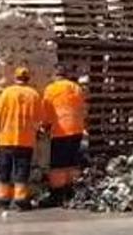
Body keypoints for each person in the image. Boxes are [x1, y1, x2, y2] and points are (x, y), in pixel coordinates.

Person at [0, 67, 44, 210]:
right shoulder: (34, 95)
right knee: (21, 170)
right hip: (25, 140)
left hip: (6, 138)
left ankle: (3, 200)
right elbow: (39, 118)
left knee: (5, 170)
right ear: (28, 78)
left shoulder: (7, 93)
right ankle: (20, 200)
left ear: (15, 77)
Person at [43, 68, 87, 204]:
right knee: (72, 162)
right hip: (77, 130)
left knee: (58, 165)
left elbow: (46, 109)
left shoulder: (51, 89)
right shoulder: (76, 88)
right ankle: (72, 190)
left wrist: (44, 126)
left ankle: (57, 193)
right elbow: (82, 107)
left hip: (60, 131)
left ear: (55, 76)